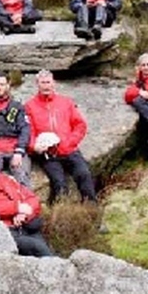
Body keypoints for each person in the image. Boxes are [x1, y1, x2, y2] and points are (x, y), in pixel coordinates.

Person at [0, 144, 54, 257]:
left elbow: (32, 198)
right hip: (4, 232)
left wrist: (23, 214)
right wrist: (16, 208)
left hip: (26, 226)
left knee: (47, 252)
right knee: (38, 248)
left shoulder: (6, 179)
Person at [24, 70, 97, 203]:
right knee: (59, 183)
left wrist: (70, 142)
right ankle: (61, 214)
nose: (46, 86)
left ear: (54, 84)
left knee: (84, 174)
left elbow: (80, 125)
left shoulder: (66, 102)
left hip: (69, 150)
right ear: (37, 85)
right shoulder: (30, 106)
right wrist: (34, 146)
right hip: (48, 154)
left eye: (48, 82)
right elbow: (28, 131)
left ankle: (91, 208)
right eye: (43, 83)